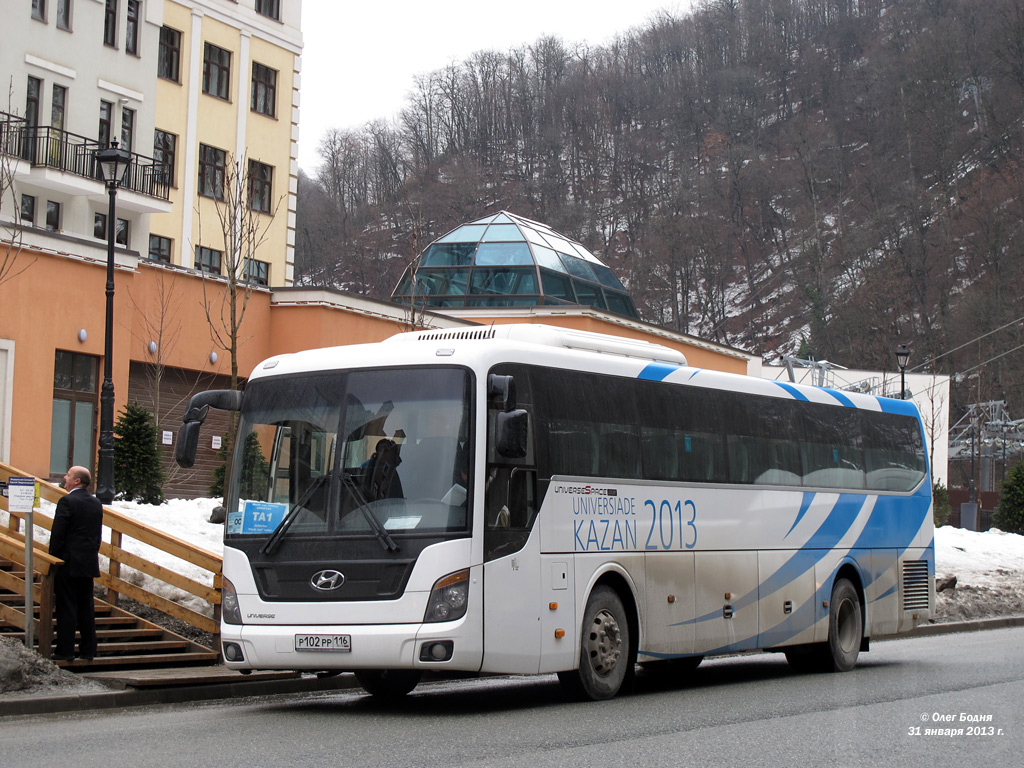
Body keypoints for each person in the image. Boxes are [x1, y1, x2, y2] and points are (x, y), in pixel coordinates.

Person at [48, 466, 103, 661]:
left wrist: (53, 557)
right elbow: (97, 536)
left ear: (77, 481)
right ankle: (88, 651)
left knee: (67, 607)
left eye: (68, 475)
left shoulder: (67, 501)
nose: (65, 477)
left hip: (69, 563)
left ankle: (65, 650)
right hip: (88, 564)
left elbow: (58, 534)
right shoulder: (96, 503)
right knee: (86, 608)